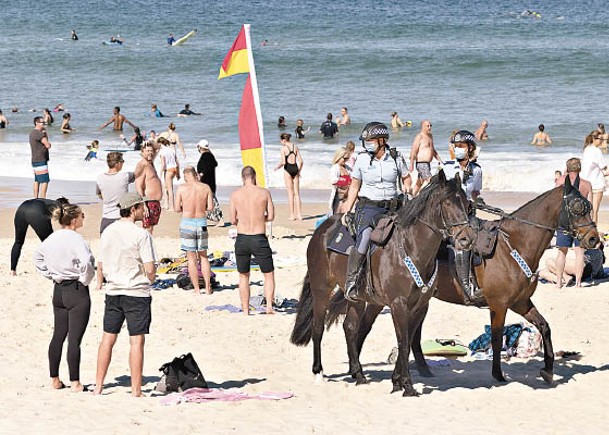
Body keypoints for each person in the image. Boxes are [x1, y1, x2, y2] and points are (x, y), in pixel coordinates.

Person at [94, 192, 156, 397]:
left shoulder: (108, 231)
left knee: (107, 339)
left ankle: (98, 386)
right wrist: (152, 278)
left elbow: (100, 265)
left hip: (114, 290)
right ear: (133, 210)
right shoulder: (141, 234)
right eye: (141, 207)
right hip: (136, 291)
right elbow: (150, 267)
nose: (144, 210)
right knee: (136, 341)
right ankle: (136, 390)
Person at [341, 122, 409, 301]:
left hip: (394, 207)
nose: (367, 143)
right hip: (369, 207)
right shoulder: (362, 159)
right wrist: (347, 210)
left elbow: (406, 178)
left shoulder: (396, 156)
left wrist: (408, 188)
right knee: (364, 238)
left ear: (381, 140)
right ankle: (352, 283)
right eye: (366, 140)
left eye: (370, 140)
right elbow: (355, 186)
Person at [33, 203, 94, 393]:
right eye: (82, 215)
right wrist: (85, 280)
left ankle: (55, 379)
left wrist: (50, 274)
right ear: (74, 219)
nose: (84, 218)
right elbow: (86, 263)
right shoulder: (77, 240)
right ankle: (75, 382)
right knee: (74, 339)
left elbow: (37, 257)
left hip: (58, 290)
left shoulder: (52, 238)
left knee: (58, 336)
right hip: (76, 289)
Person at [230, 166, 276, 315]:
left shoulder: (235, 194)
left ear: (242, 178)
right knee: (268, 274)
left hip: (242, 238)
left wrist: (244, 218)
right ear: (254, 177)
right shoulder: (264, 193)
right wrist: (258, 218)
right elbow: (271, 216)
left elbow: (232, 220)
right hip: (259, 237)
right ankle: (269, 306)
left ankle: (245, 309)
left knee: (244, 275)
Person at [553, 158, 593, 288]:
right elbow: (590, 208)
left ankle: (559, 282)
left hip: (564, 222)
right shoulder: (586, 185)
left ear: (567, 168)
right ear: (580, 169)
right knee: (579, 253)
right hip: (580, 223)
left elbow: (555, 204)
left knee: (561, 252)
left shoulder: (559, 181)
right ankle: (578, 283)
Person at [175, 166, 213, 294]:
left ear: (186, 176)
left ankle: (197, 289)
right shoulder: (205, 187)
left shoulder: (182, 188)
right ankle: (208, 287)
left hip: (187, 222)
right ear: (195, 174)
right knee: (203, 256)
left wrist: (185, 206)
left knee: (191, 257)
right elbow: (210, 207)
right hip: (201, 222)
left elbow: (176, 208)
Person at [10, 197, 69, 275]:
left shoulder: (47, 202)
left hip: (22, 208)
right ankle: (55, 268)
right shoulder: (58, 206)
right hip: (35, 211)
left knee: (18, 241)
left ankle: (12, 270)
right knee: (50, 243)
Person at [96, 152, 135, 234]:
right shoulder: (125, 176)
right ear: (117, 163)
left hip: (106, 218)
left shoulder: (100, 178)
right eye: (122, 161)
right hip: (122, 218)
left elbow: (99, 194)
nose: (123, 164)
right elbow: (139, 172)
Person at [540, 243, 605, 286]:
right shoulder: (599, 255)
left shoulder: (596, 251)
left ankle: (565, 277)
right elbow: (599, 273)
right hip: (585, 273)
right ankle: (564, 280)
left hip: (584, 268)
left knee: (549, 261)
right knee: (542, 272)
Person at [443, 130, 483, 200]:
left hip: (465, 208)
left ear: (470, 148)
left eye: (461, 146)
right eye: (455, 146)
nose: (457, 149)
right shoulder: (444, 167)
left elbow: (475, 192)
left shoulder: (477, 170)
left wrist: (479, 201)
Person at [135, 142, 163, 234]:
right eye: (147, 151)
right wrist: (144, 204)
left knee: (150, 228)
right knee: (147, 229)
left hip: (155, 203)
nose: (150, 153)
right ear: (142, 152)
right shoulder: (142, 165)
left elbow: (160, 146)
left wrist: (150, 141)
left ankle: (148, 246)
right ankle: (146, 247)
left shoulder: (150, 163)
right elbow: (138, 185)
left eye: (151, 151)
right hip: (148, 202)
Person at [581, 131, 609, 223]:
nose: (602, 141)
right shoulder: (597, 151)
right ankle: (594, 232)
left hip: (585, 182)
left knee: (587, 210)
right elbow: (605, 170)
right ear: (594, 139)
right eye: (600, 139)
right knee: (595, 210)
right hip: (596, 184)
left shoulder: (587, 149)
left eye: (602, 139)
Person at [409, 120, 442, 196]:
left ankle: (411, 196)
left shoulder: (430, 136)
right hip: (421, 164)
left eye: (430, 125)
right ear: (423, 126)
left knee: (419, 182)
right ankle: (422, 196)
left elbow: (432, 149)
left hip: (427, 164)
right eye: (428, 126)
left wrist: (440, 160)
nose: (430, 127)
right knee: (431, 181)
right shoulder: (419, 137)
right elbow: (414, 150)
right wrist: (411, 164)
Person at [274, 132, 303, 220]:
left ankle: (292, 215)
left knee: (290, 194)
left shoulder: (283, 149)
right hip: (295, 169)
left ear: (283, 140)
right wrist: (299, 171)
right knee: (297, 194)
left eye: (281, 141)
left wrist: (277, 167)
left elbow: (283, 162)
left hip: (288, 170)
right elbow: (301, 161)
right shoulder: (295, 147)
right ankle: (299, 215)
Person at [196, 139, 224, 226]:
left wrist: (201, 174)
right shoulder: (210, 155)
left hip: (206, 183)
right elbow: (214, 164)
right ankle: (203, 219)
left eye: (198, 147)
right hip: (210, 182)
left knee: (211, 202)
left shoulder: (206, 156)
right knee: (207, 201)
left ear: (200, 147)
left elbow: (206, 168)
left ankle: (220, 220)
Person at [30, 116, 52, 199]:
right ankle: (43, 199)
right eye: (42, 122)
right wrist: (45, 134)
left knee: (37, 180)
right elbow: (48, 145)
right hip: (41, 159)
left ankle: (35, 198)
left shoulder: (32, 133)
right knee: (45, 180)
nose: (44, 124)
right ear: (37, 123)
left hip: (35, 159)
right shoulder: (39, 134)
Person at [158, 137, 180, 211]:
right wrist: (178, 173)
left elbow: (163, 164)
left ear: (160, 143)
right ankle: (166, 204)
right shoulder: (171, 150)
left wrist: (160, 173)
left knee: (169, 189)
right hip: (174, 169)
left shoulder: (162, 152)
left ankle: (172, 207)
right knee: (165, 187)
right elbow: (177, 162)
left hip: (168, 170)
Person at [329, 147, 352, 214]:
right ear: (339, 157)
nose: (346, 160)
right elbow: (333, 180)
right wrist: (346, 180)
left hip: (347, 196)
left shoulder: (347, 167)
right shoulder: (335, 167)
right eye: (344, 158)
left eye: (347, 158)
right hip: (337, 197)